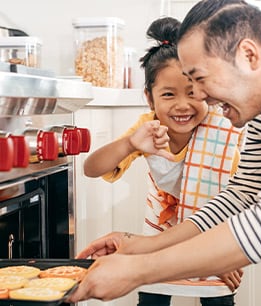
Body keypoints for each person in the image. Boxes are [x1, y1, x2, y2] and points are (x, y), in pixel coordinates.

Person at [68, 0, 261, 303]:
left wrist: (138, 270)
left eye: (201, 78)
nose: (200, 96)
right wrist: (141, 245)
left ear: (248, 56)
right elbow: (241, 195)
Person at [82, 16, 244, 306]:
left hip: (215, 234)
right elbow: (91, 168)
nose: (182, 105)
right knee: (152, 299)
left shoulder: (225, 129)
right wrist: (130, 143)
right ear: (149, 98)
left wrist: (227, 251)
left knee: (218, 299)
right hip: (160, 234)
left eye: (193, 93)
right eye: (168, 94)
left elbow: (241, 197)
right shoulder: (148, 129)